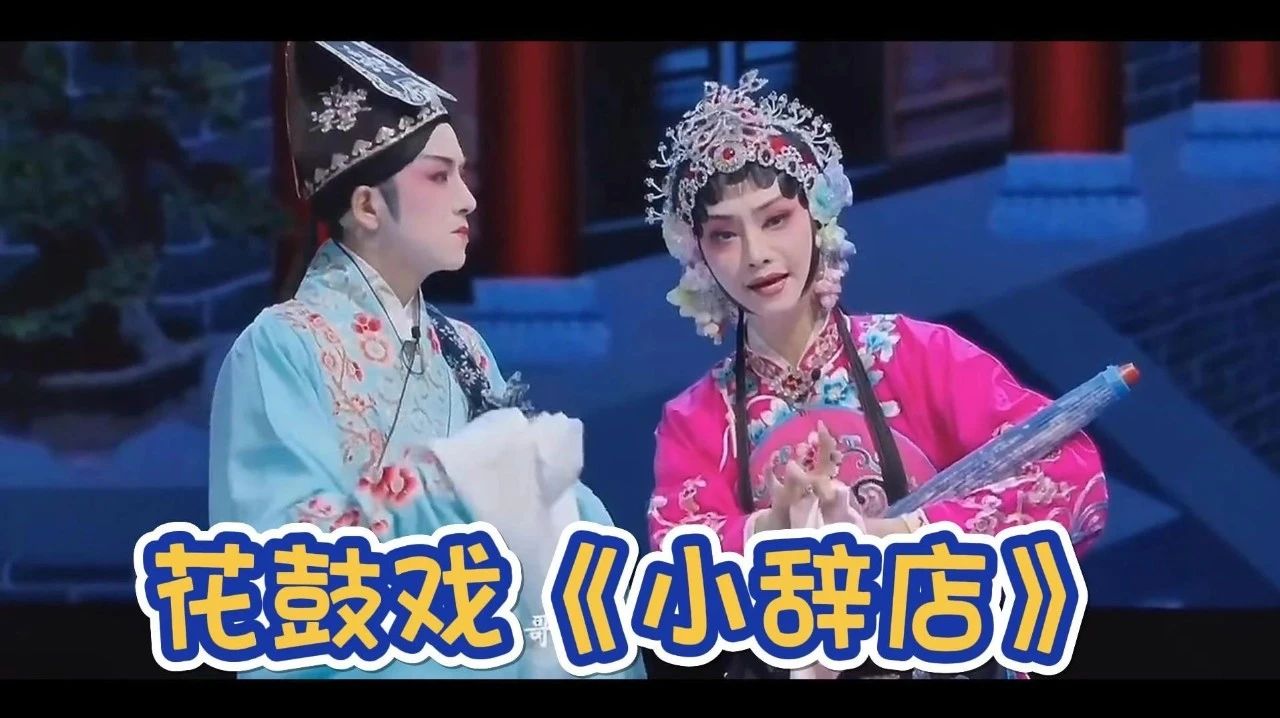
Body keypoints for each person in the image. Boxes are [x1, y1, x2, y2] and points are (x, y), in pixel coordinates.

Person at [642, 70, 1110, 679]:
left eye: (776, 219)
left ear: (818, 217)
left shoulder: (919, 354)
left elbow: (1069, 472)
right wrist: (772, 527)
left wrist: (900, 531)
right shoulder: (696, 420)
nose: (756, 254)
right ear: (699, 256)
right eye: (725, 235)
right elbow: (680, 561)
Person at [207, 41, 644, 680]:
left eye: (462, 174)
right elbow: (277, 562)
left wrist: (556, 487)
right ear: (366, 206)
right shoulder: (281, 347)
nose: (468, 199)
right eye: (440, 176)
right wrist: (452, 477)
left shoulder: (463, 347)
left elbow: (537, 516)